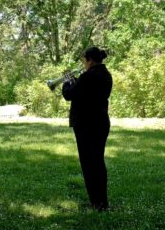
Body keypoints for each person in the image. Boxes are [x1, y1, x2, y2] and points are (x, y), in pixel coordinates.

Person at [62, 46, 113, 211]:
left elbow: (69, 94)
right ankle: (101, 201)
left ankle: (96, 203)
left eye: (84, 61)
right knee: (98, 162)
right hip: (101, 122)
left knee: (89, 164)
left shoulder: (87, 76)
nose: (83, 64)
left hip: (86, 124)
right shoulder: (105, 75)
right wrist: (76, 82)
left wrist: (66, 81)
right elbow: (86, 94)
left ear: (89, 60)